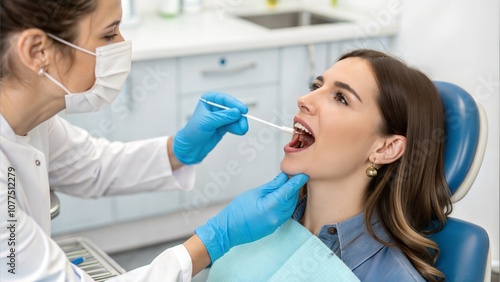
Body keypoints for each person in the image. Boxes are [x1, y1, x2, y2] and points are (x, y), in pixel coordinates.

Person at [0, 0, 309, 281]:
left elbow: (92, 165)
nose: (122, 45)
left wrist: (178, 151)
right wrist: (216, 239)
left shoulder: (32, 122)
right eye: (109, 36)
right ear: (37, 51)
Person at [278, 49, 453, 281]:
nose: (304, 100)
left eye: (341, 98)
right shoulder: (261, 223)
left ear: (385, 149)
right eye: (316, 87)